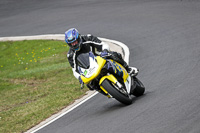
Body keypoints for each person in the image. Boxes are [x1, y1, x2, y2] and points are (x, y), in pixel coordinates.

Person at [65, 28, 138, 87]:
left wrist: (105, 50)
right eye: (71, 43)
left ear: (79, 38)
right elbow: (74, 69)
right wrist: (79, 78)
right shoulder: (70, 55)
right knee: (90, 85)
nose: (74, 44)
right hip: (89, 67)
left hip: (99, 57)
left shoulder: (88, 38)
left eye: (75, 41)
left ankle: (128, 69)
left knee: (114, 54)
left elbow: (103, 44)